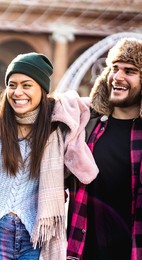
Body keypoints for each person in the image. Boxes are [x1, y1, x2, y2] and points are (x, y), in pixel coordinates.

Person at [0, 52, 98, 260]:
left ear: (41, 89)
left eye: (26, 85)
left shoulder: (54, 125)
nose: (17, 92)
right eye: (12, 85)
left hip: (34, 235)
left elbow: (96, 103)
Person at [67, 38, 142, 260]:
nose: (117, 77)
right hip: (83, 252)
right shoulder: (88, 122)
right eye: (114, 68)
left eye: (129, 71)